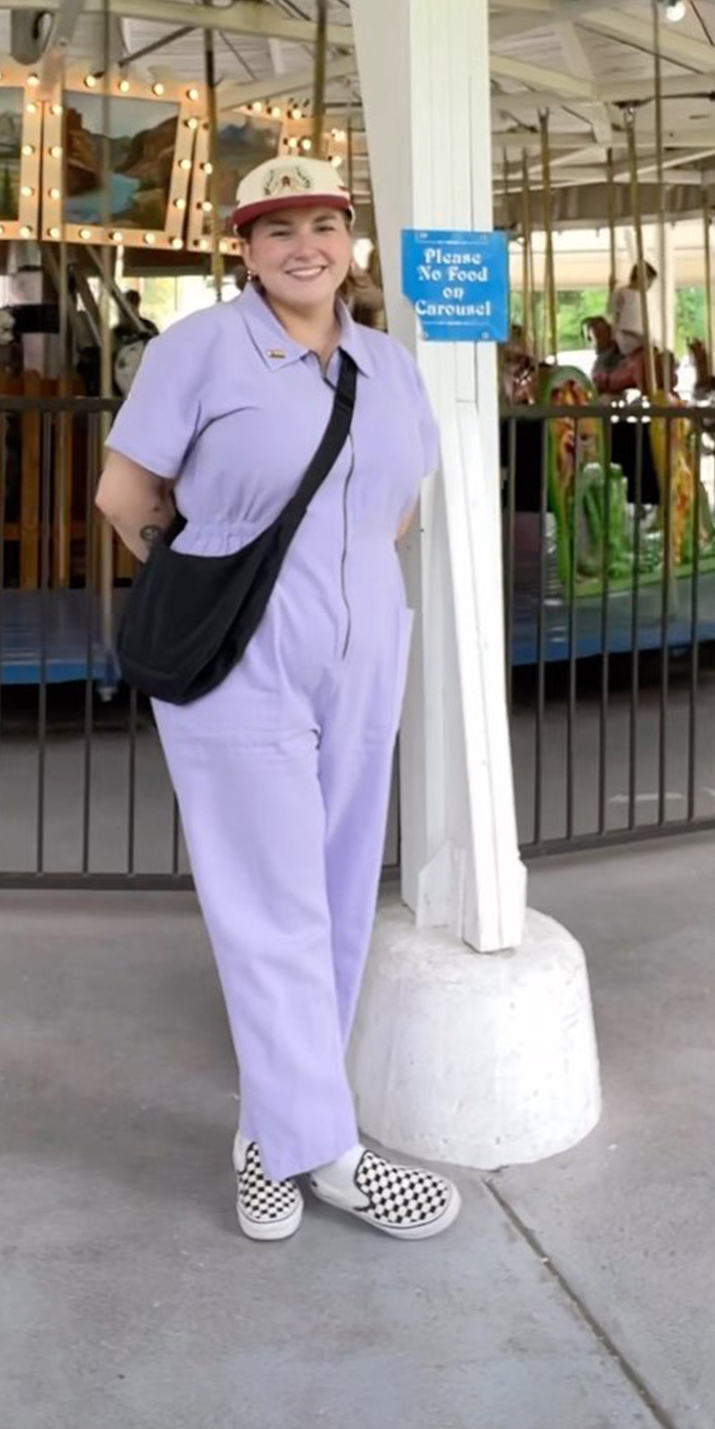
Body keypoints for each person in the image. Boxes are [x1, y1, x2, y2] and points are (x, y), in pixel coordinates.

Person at [96, 157, 462, 1244]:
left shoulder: (388, 366)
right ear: (246, 250)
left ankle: (274, 1131)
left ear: (350, 240)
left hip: (364, 649)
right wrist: (212, 581)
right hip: (242, 654)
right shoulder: (199, 349)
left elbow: (398, 505)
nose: (305, 247)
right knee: (271, 906)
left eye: (323, 224)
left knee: (340, 892)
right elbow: (125, 493)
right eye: (278, 230)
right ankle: (331, 1156)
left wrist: (343, 581)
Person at [608, 261, 657, 359]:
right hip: (627, 335)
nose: (650, 285)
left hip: (640, 336)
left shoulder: (645, 298)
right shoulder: (623, 292)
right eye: (649, 281)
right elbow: (612, 310)